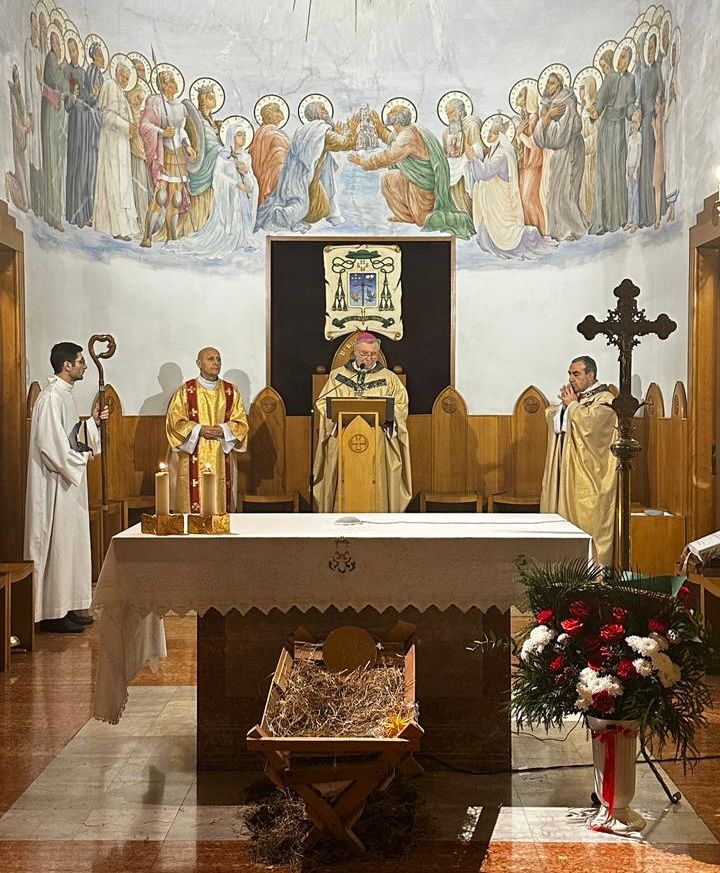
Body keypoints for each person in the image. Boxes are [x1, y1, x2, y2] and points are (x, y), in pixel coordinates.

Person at [24, 343, 108, 632]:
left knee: (69, 544)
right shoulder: (50, 398)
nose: (85, 366)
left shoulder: (65, 395)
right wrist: (80, 458)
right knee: (56, 543)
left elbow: (71, 436)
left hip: (67, 482)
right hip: (53, 485)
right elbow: (50, 445)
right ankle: (51, 612)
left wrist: (92, 424)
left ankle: (68, 605)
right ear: (67, 366)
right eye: (81, 361)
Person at [312, 332, 412, 512]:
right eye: (365, 353)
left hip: (377, 439)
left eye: (373, 354)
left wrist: (389, 412)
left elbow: (401, 406)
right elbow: (323, 404)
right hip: (343, 436)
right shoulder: (338, 376)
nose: (369, 358)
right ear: (355, 352)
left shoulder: (389, 378)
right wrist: (333, 411)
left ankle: (378, 512)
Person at [349, 104, 474, 238]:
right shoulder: (410, 129)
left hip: (422, 186)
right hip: (416, 179)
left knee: (423, 219)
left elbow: (388, 156)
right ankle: (407, 216)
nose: (393, 127)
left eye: (392, 123)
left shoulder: (407, 136)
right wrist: (379, 127)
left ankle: (416, 216)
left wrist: (363, 162)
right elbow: (392, 139)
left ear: (397, 123)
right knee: (390, 178)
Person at [540, 355, 617, 566]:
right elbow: (553, 416)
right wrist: (565, 407)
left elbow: (595, 425)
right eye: (570, 374)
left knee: (587, 522)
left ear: (590, 375)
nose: (571, 379)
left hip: (589, 476)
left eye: (576, 374)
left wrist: (572, 406)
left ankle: (592, 569)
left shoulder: (605, 399)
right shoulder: (579, 398)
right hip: (568, 473)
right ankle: (563, 566)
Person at [166, 347, 249, 514]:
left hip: (221, 453)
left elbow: (241, 422)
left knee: (220, 502)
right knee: (192, 506)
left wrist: (224, 429)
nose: (216, 363)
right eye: (210, 359)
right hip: (193, 453)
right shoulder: (185, 391)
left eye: (218, 359)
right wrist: (199, 429)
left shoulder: (231, 391)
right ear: (199, 363)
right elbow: (175, 422)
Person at [256, 100, 357, 232]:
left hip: (295, 177)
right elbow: (343, 143)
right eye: (324, 110)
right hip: (303, 179)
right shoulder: (321, 130)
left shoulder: (303, 130)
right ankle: (278, 216)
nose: (327, 113)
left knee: (318, 206)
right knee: (301, 207)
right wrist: (352, 130)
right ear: (319, 114)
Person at [466, 116, 554, 259]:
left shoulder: (501, 154)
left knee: (508, 236)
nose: (489, 135)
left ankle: (527, 235)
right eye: (489, 132)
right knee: (484, 239)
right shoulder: (493, 152)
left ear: (501, 136)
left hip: (501, 205)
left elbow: (485, 173)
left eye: (494, 133)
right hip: (493, 206)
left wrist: (473, 158)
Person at [173, 124, 258, 257]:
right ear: (231, 137)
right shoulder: (223, 156)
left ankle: (243, 239)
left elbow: (251, 179)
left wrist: (246, 173)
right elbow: (218, 177)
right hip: (228, 198)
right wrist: (236, 184)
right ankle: (229, 239)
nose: (243, 138)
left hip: (242, 199)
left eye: (244, 135)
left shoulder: (246, 157)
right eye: (239, 135)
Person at [139, 69, 196, 246]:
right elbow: (144, 125)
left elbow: (181, 130)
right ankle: (147, 236)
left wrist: (187, 145)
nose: (175, 84)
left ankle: (172, 237)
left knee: (177, 198)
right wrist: (162, 132)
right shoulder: (155, 104)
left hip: (178, 154)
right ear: (164, 85)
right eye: (171, 81)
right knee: (161, 196)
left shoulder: (181, 108)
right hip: (163, 153)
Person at [532, 72, 587, 241]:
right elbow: (539, 138)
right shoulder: (546, 104)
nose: (550, 86)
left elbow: (560, 135)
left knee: (567, 191)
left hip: (570, 150)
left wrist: (547, 123)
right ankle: (558, 230)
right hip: (558, 154)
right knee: (554, 191)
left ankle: (573, 229)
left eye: (553, 83)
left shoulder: (568, 101)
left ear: (560, 85)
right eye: (548, 83)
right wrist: (548, 116)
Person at [588, 45, 636, 235]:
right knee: (605, 171)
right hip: (607, 128)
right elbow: (600, 101)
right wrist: (595, 111)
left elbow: (630, 103)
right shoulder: (610, 78)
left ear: (629, 60)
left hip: (619, 129)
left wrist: (634, 112)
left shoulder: (631, 80)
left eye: (625, 58)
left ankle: (620, 217)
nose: (621, 61)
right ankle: (603, 220)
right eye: (620, 57)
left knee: (618, 170)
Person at [93, 61, 139, 240]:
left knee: (122, 184)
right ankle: (115, 228)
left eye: (127, 78)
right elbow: (107, 117)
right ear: (116, 73)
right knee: (114, 182)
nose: (125, 81)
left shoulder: (121, 92)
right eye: (123, 76)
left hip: (121, 144)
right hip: (111, 143)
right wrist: (127, 126)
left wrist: (131, 128)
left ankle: (122, 226)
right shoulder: (110, 86)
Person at [64, 35, 100, 228]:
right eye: (70, 51)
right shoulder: (66, 70)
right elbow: (67, 104)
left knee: (85, 167)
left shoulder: (83, 72)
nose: (73, 54)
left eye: (75, 50)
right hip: (76, 123)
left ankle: (85, 214)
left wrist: (94, 94)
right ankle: (74, 215)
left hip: (85, 122)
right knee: (76, 166)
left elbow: (89, 100)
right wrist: (72, 97)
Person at [40, 26, 68, 231]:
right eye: (54, 43)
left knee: (58, 164)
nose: (56, 46)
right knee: (52, 162)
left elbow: (65, 88)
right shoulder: (51, 59)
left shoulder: (58, 62)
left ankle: (57, 213)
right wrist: (62, 69)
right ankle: (52, 214)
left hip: (59, 115)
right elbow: (56, 82)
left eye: (58, 43)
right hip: (51, 112)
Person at [441, 97, 483, 216]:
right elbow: (445, 152)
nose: (450, 117)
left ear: (460, 111)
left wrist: (465, 155)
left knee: (467, 200)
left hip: (468, 168)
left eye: (451, 112)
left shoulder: (472, 124)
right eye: (447, 114)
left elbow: (479, 150)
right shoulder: (446, 132)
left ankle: (470, 216)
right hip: (453, 171)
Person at [248, 101, 290, 206]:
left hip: (260, 180)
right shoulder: (273, 134)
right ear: (271, 115)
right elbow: (280, 158)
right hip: (272, 180)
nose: (282, 113)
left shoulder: (259, 132)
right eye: (278, 111)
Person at [23, 11, 43, 214]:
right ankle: (33, 198)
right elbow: (28, 79)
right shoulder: (29, 46)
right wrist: (30, 112)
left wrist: (41, 82)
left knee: (39, 154)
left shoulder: (39, 49)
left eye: (38, 25)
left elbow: (39, 80)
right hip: (33, 107)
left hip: (40, 104)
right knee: (33, 152)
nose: (36, 28)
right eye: (34, 24)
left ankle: (38, 199)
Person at [5, 64, 31, 213]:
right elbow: (15, 119)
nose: (18, 81)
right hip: (18, 140)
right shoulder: (14, 97)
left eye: (19, 78)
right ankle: (9, 180)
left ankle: (26, 201)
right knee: (21, 173)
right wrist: (24, 130)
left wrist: (28, 124)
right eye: (16, 78)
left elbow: (24, 115)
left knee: (25, 173)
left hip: (23, 140)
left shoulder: (20, 96)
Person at [625, 108, 642, 233]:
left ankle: (635, 222)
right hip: (629, 168)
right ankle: (629, 221)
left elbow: (639, 154)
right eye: (632, 122)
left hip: (635, 169)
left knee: (635, 196)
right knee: (630, 195)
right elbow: (628, 154)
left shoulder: (639, 136)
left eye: (635, 122)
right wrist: (626, 172)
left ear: (639, 124)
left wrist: (636, 170)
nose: (633, 125)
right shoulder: (630, 138)